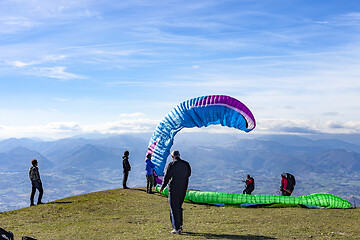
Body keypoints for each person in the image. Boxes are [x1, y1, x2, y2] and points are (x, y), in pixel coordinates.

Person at [160, 150, 191, 235]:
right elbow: (189, 174)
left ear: (172, 157)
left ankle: (176, 228)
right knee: (179, 207)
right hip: (183, 189)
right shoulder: (186, 164)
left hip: (173, 190)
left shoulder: (171, 165)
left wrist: (162, 187)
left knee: (174, 208)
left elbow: (166, 177)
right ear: (179, 155)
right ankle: (180, 225)